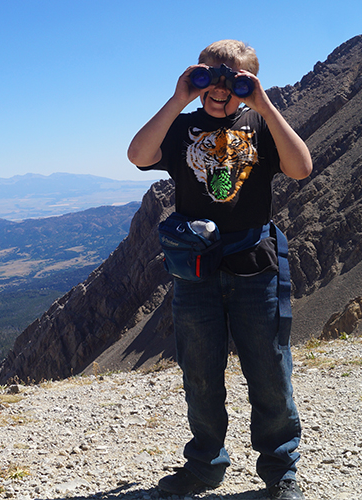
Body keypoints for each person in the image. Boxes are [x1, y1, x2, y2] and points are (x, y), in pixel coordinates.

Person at [127, 40, 312, 500]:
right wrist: (179, 98)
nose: (220, 90)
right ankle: (204, 466)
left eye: (234, 82)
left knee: (269, 369)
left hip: (255, 266)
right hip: (196, 269)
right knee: (201, 373)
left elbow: (301, 166)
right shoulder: (183, 126)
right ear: (197, 76)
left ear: (248, 84)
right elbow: (138, 155)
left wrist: (264, 104)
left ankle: (281, 471)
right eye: (210, 77)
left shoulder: (260, 125)